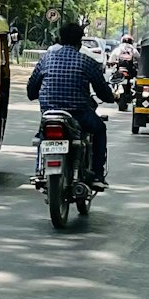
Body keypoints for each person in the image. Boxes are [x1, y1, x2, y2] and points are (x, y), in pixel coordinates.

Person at [28, 20, 114, 184]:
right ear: (80, 41)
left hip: (49, 113)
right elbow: (103, 92)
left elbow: (31, 89)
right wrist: (111, 97)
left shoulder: (47, 59)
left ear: (60, 38)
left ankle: (39, 170)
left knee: (42, 135)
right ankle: (97, 174)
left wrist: (36, 95)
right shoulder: (87, 62)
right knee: (100, 129)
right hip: (79, 114)